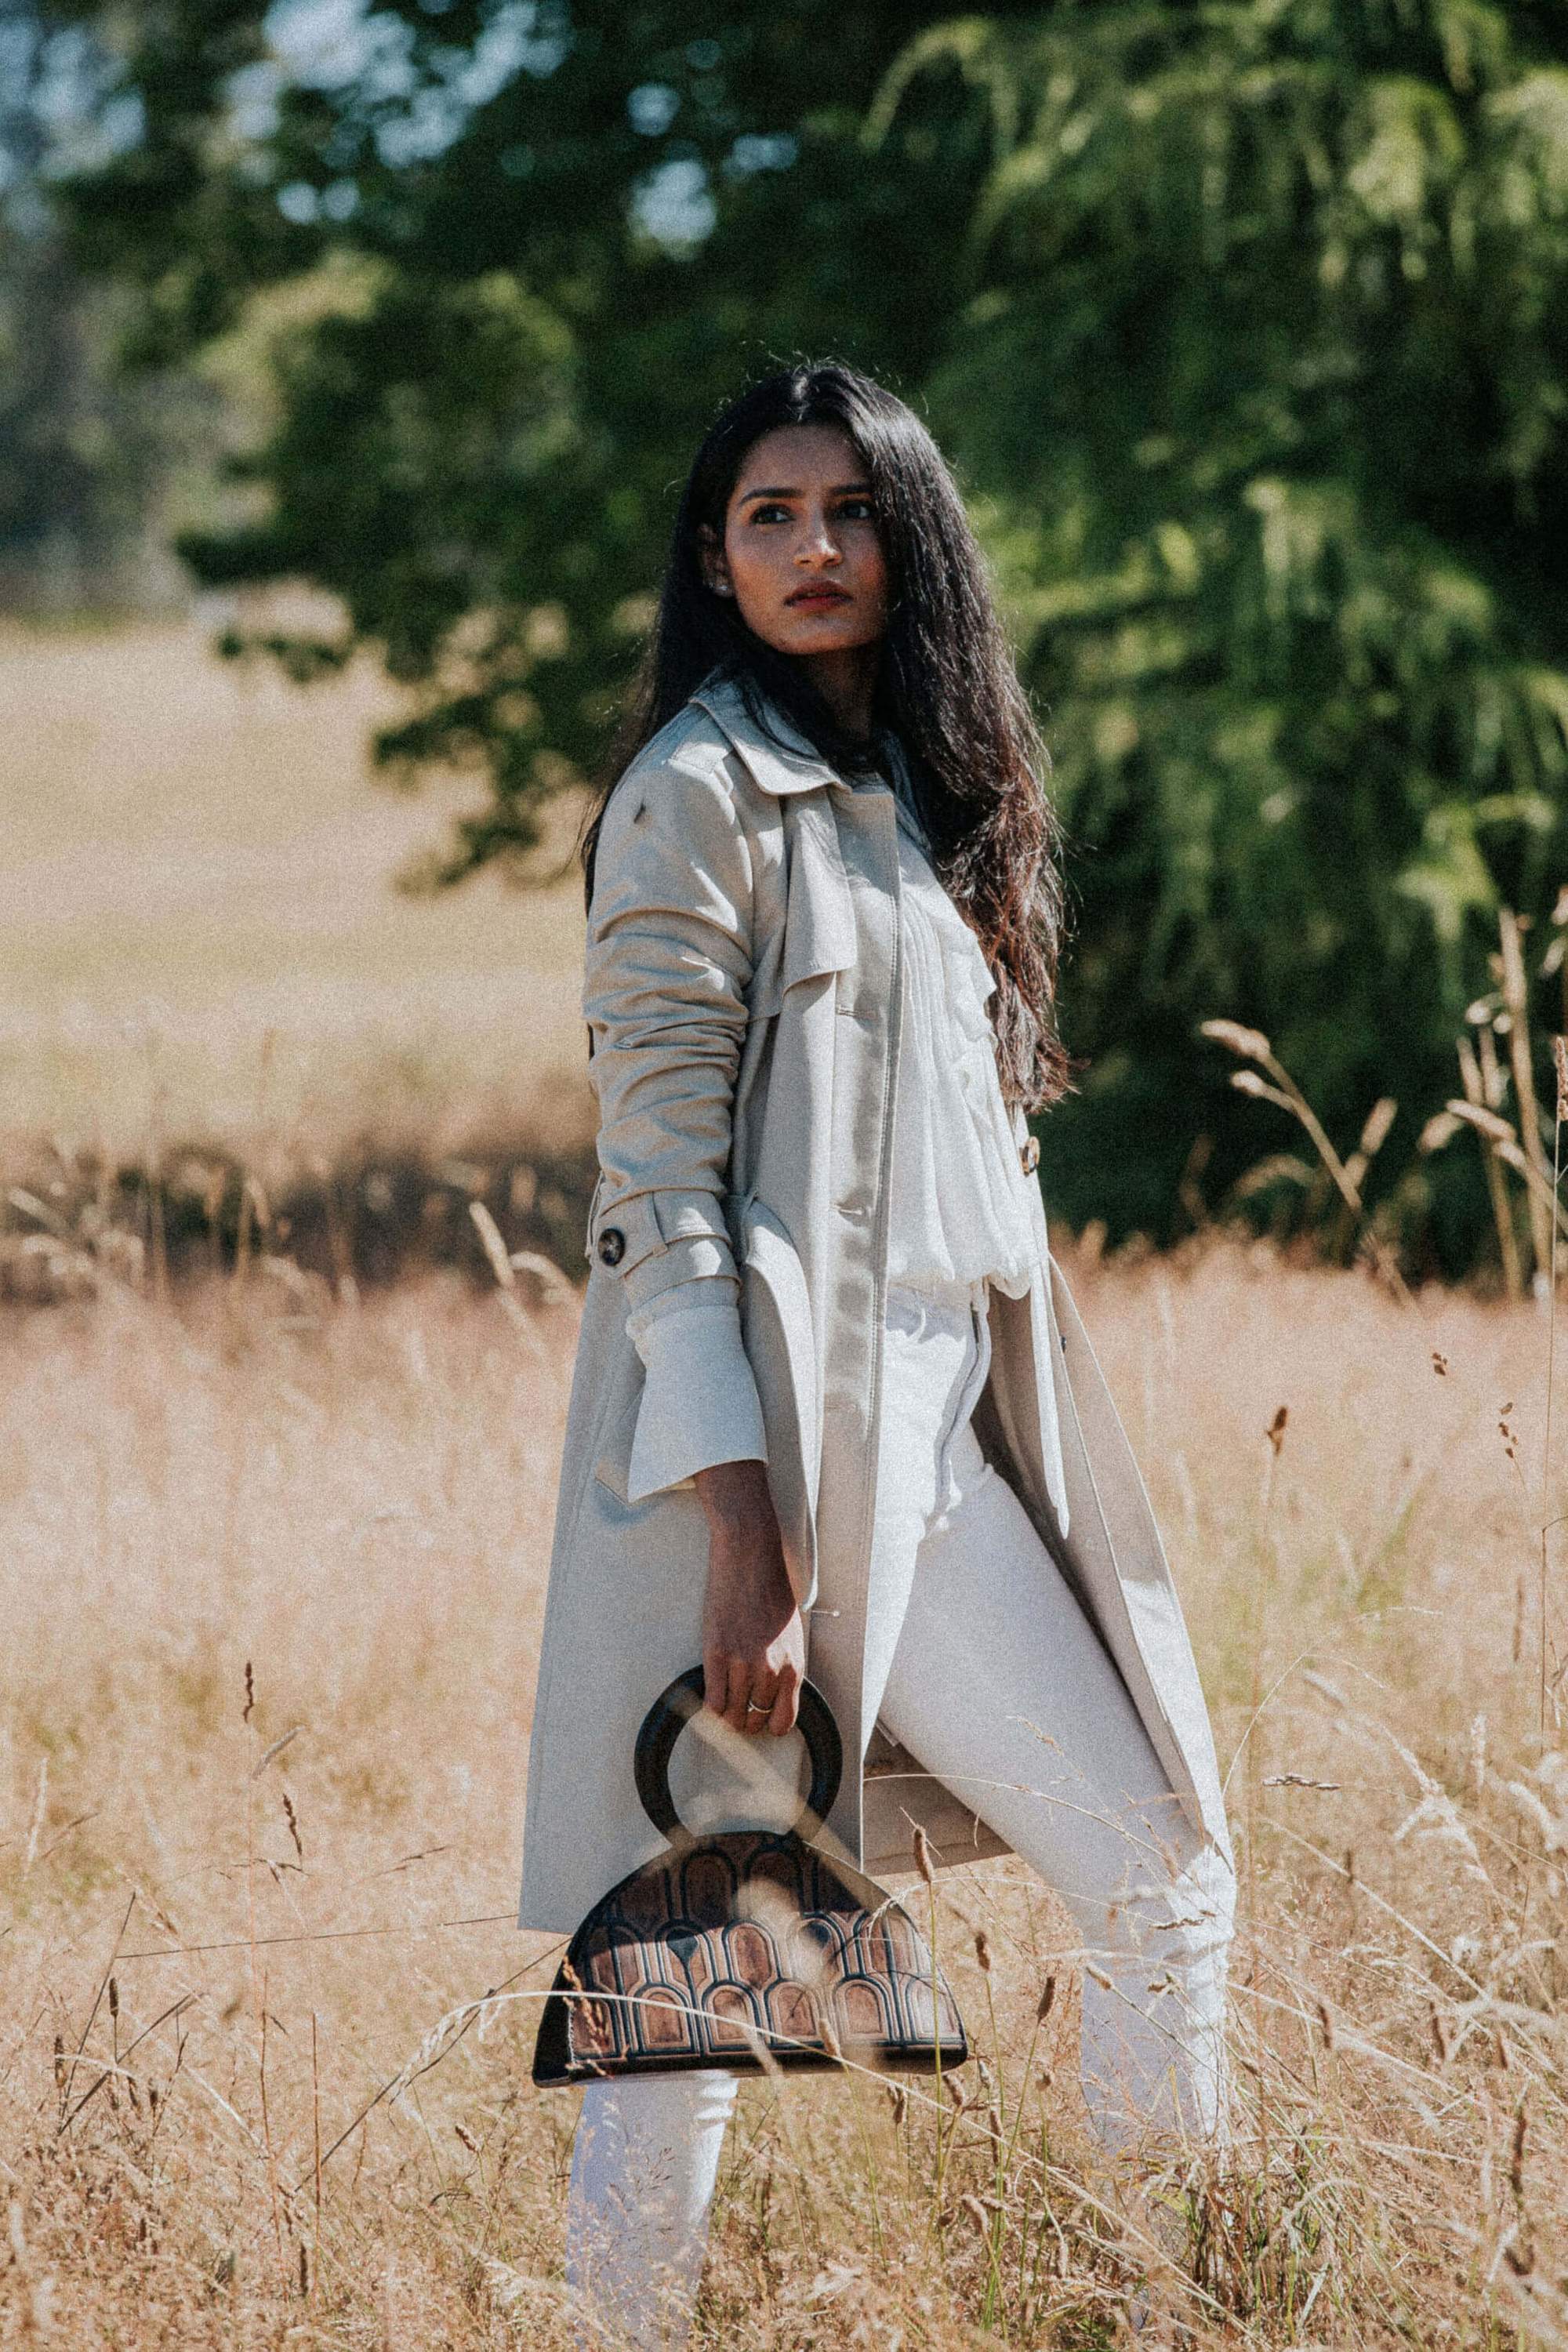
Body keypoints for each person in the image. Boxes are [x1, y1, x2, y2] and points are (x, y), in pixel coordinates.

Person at [517, 360, 1235, 2348]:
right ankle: (1159, 2311)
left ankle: (1154, 2300)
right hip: (770, 1449)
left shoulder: (931, 794)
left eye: (848, 510)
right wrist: (747, 1528)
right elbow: (653, 1188)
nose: (813, 547)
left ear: (908, 538)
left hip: (947, 1413)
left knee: (767, 1937)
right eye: (768, 514)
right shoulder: (694, 792)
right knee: (709, 1960)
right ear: (713, 553)